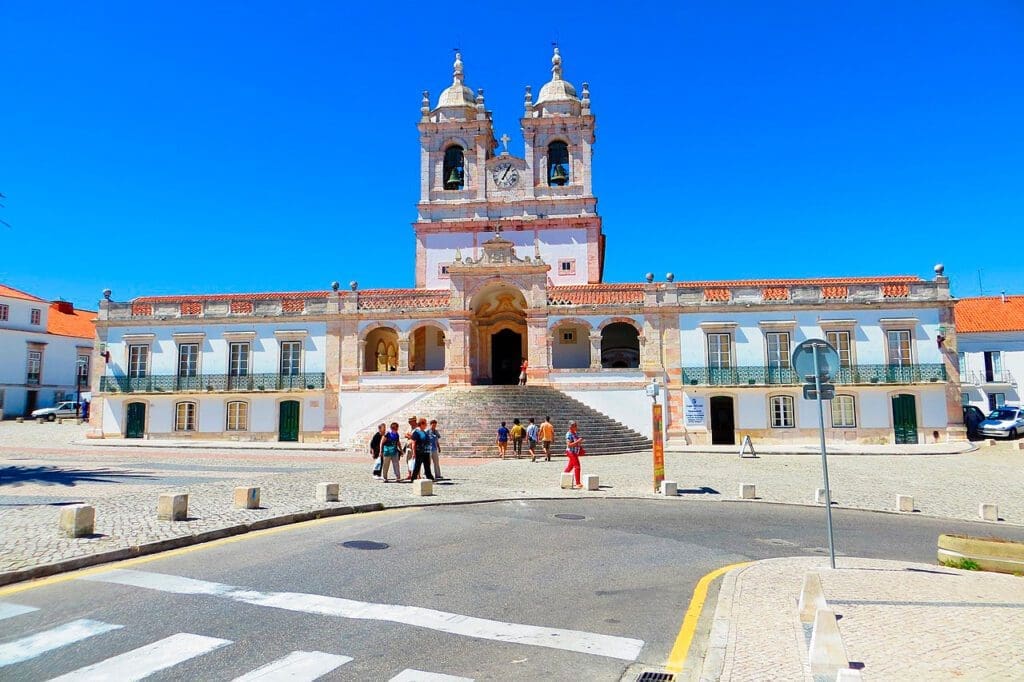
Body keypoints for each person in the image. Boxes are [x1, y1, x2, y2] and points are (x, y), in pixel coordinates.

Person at [563, 421, 584, 489]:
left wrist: (580, 446)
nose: (576, 427)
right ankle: (578, 483)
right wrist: (578, 441)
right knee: (577, 466)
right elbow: (569, 445)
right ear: (571, 427)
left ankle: (564, 478)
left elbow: (576, 443)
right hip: (571, 452)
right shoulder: (568, 434)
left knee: (570, 467)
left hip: (575, 452)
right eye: (575, 426)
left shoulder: (574, 433)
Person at [404, 416, 418, 480]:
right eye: (409, 421)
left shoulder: (418, 428)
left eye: (410, 421)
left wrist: (410, 436)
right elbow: (405, 435)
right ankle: (409, 474)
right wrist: (411, 436)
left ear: (414, 421)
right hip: (408, 447)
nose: (409, 422)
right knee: (408, 461)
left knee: (416, 461)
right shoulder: (409, 427)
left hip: (415, 447)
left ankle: (417, 475)